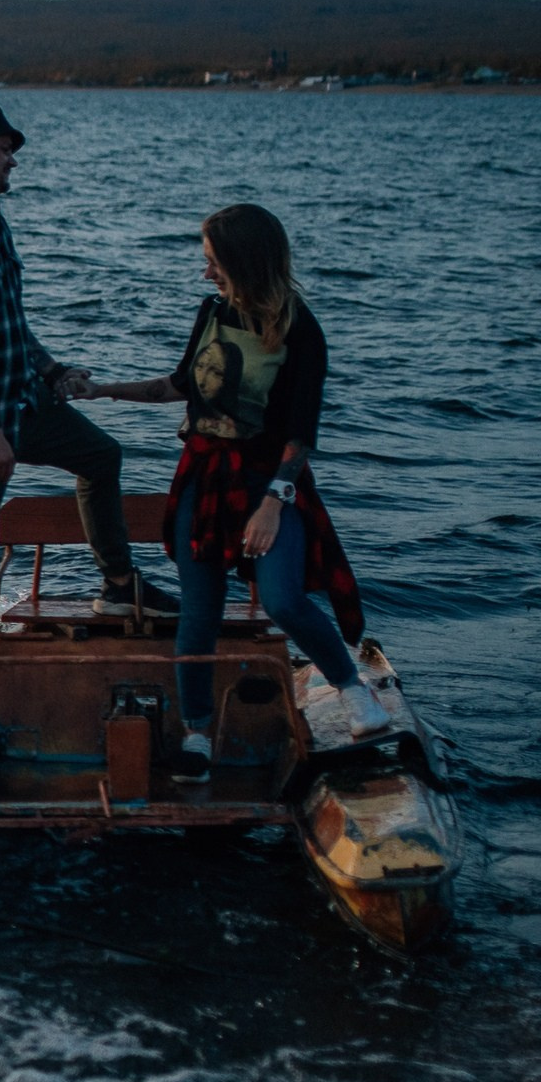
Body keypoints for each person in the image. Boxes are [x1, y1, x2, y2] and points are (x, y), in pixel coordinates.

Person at [69, 203, 392, 776]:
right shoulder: (212, 312)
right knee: (200, 608)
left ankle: (351, 689)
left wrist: (274, 502)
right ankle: (197, 733)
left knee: (284, 599)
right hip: (205, 475)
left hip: (269, 483)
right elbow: (179, 385)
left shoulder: (301, 330)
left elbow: (301, 435)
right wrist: (103, 391)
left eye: (214, 261)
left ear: (245, 261)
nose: (206, 273)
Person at [0, 100, 176, 740]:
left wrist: (53, 372)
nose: (13, 158)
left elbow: (9, 326)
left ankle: (117, 583)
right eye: (4, 147)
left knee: (101, 456)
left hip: (24, 403)